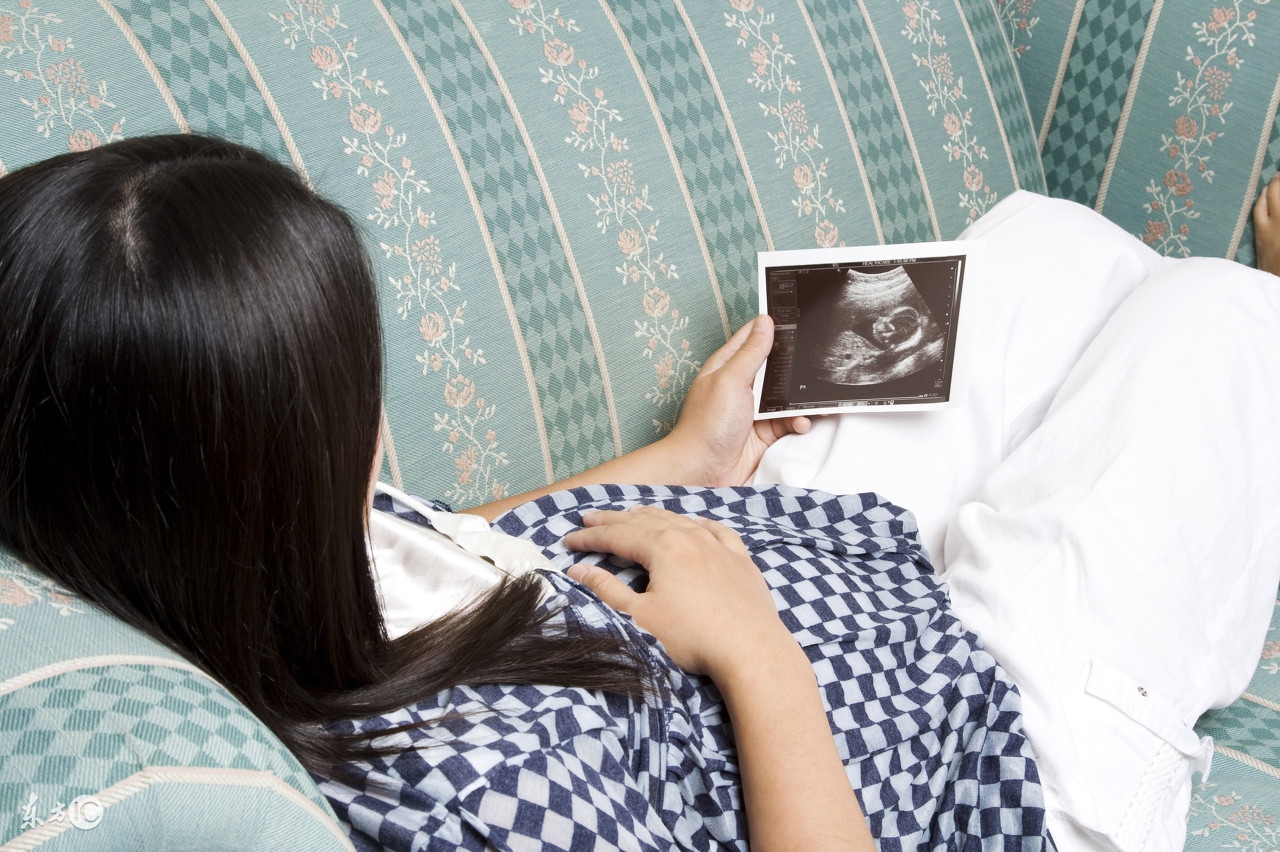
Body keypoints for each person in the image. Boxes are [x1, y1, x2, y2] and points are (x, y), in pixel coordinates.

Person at [0, 134, 1276, 851]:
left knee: (1052, 246)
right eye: (353, 387)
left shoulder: (208, 564)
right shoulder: (478, 809)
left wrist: (684, 458)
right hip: (969, 768)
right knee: (1224, 321)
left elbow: (434, 548)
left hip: (792, 569)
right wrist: (753, 648)